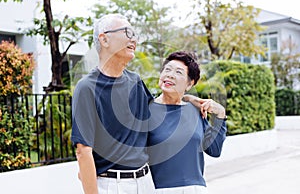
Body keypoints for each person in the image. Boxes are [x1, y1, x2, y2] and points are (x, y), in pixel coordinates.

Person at [71, 13, 155, 194]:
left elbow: (160, 112)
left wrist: (190, 99)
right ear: (104, 39)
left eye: (135, 34)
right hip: (113, 185)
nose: (134, 39)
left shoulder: (136, 82)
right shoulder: (87, 88)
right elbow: (83, 151)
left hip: (146, 181)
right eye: (127, 32)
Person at [147, 51, 227, 194]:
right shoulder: (146, 110)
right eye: (167, 69)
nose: (170, 75)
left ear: (190, 84)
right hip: (158, 189)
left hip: (195, 189)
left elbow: (214, 150)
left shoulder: (195, 110)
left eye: (178, 72)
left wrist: (220, 115)